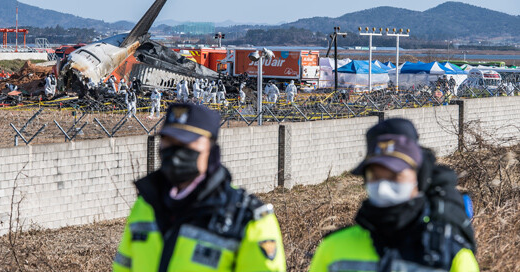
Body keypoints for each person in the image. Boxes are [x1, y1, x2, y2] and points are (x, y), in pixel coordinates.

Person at [113, 103, 286, 272]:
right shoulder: (145, 205)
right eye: (168, 141)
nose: (174, 152)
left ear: (210, 149)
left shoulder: (247, 219)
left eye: (185, 143)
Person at [309, 118, 478, 272]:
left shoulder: (450, 254)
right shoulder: (333, 247)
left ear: (418, 178)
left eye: (394, 175)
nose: (382, 186)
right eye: (375, 176)